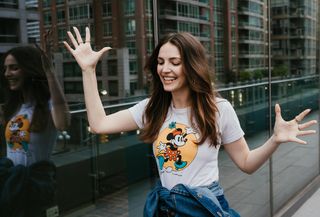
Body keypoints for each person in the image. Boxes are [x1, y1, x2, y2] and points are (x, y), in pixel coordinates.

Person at [64, 27, 317, 217]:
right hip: (164, 208)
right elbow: (99, 124)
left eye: (175, 62)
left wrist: (274, 140)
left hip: (202, 207)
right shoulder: (153, 108)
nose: (165, 69)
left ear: (192, 67)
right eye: (161, 62)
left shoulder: (219, 110)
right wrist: (88, 71)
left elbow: (246, 163)